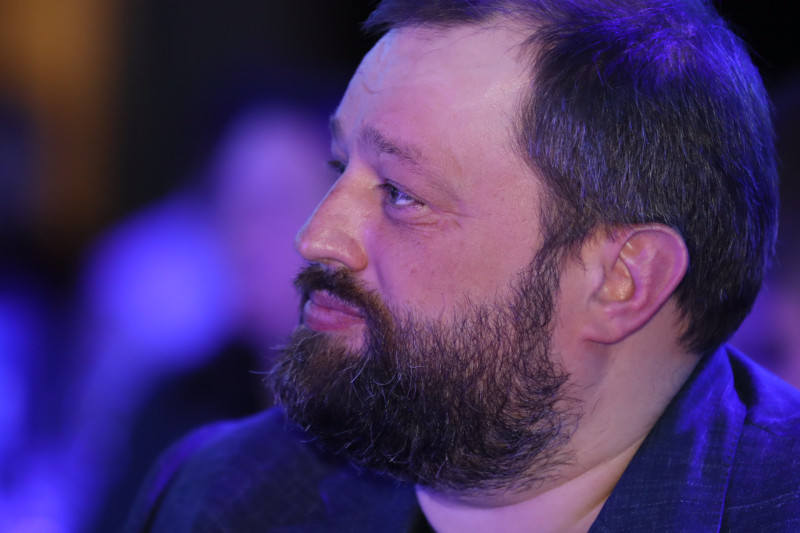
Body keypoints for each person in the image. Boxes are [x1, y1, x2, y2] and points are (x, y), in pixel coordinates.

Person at [124, 1, 800, 531]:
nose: (317, 237)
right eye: (338, 166)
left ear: (621, 280)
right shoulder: (223, 492)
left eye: (401, 193)